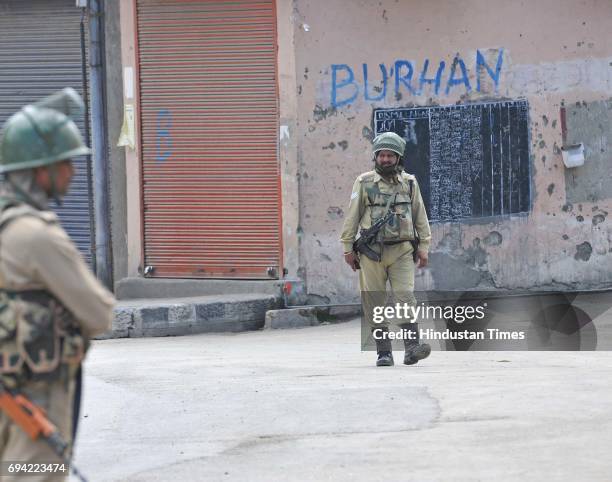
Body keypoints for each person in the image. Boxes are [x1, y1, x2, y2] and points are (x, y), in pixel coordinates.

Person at [0, 88, 115, 479]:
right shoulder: (36, 235)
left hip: (9, 388)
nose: (73, 171)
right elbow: (99, 314)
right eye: (65, 162)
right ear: (39, 170)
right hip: (36, 394)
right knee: (33, 474)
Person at [340, 132, 432, 367]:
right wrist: (347, 248)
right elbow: (352, 216)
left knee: (405, 297)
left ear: (398, 158)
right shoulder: (364, 183)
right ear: (376, 157)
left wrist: (423, 246)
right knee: (375, 302)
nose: (385, 159)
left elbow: (420, 215)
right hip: (371, 253)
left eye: (390, 155)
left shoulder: (409, 183)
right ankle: (384, 352)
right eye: (381, 155)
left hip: (401, 250)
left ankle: (412, 348)